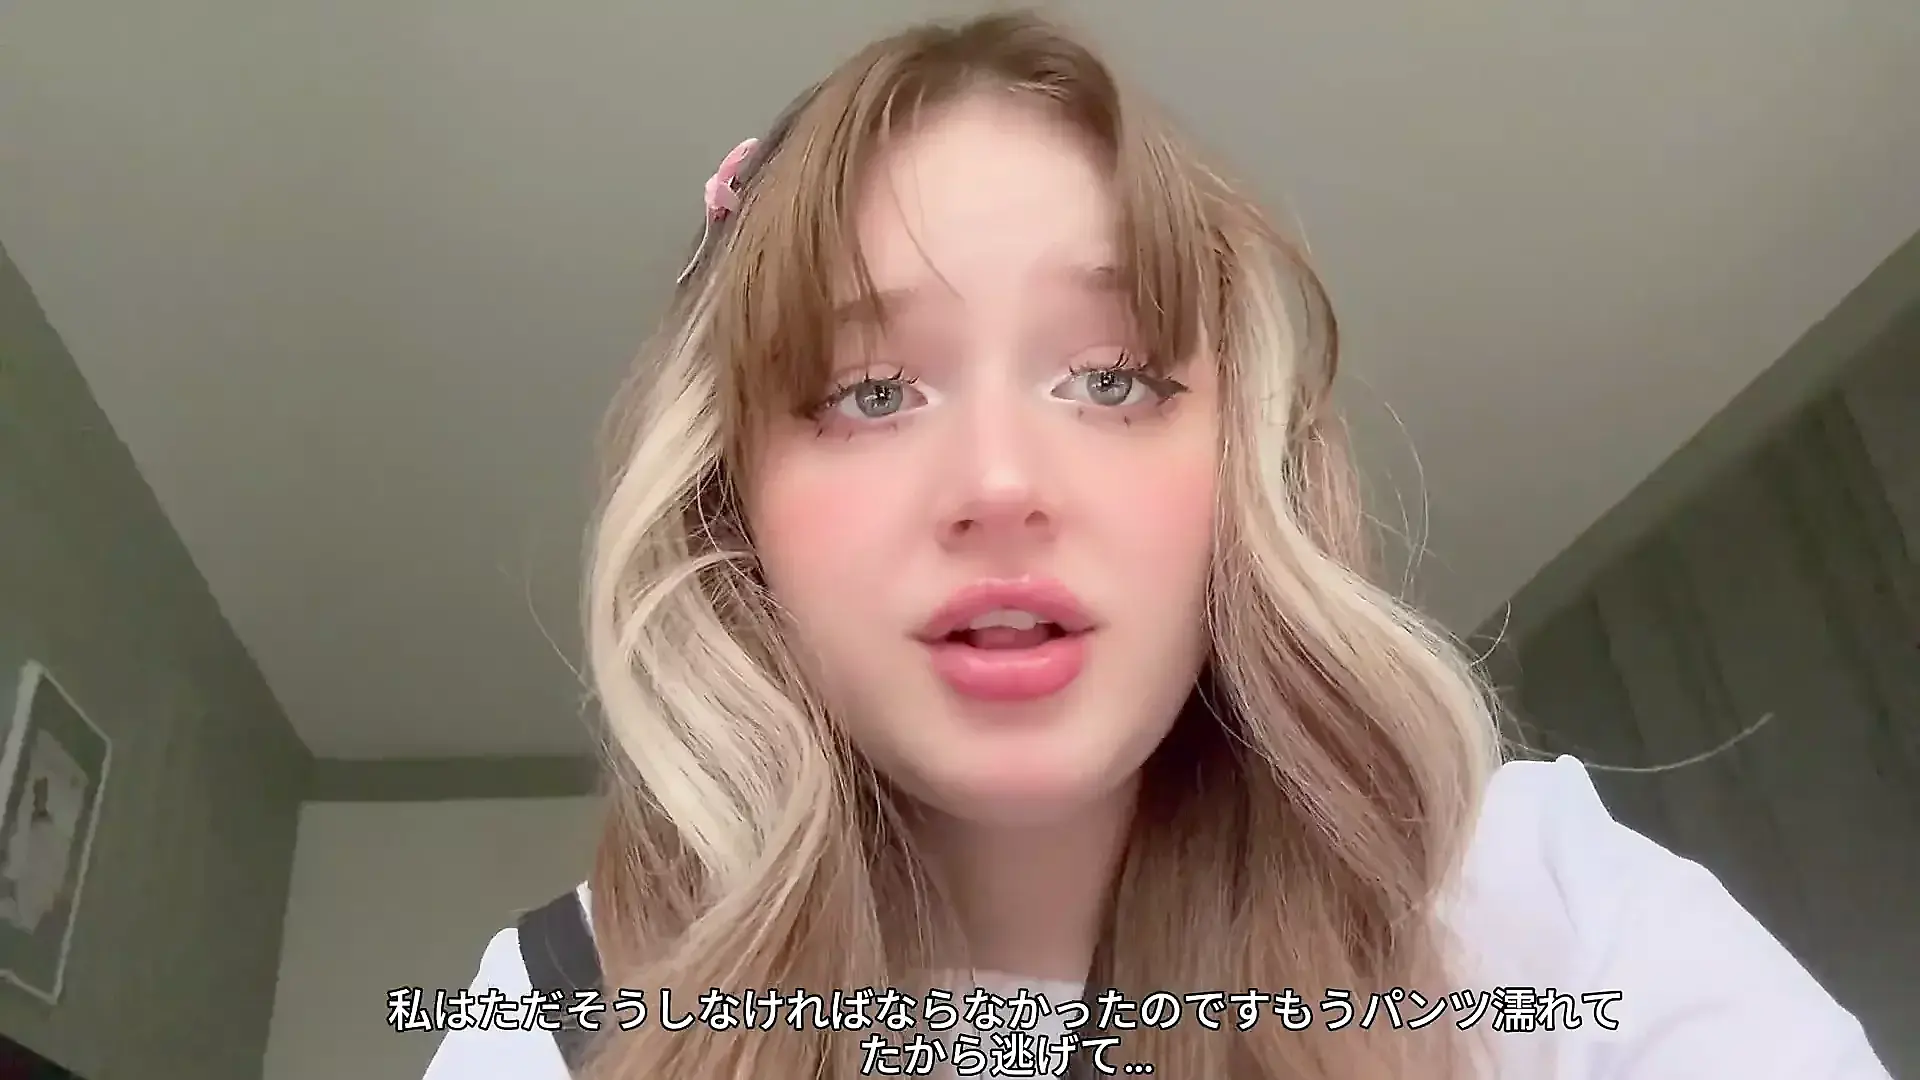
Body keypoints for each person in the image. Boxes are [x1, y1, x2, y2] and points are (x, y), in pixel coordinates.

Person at [421, 12, 1888, 1080]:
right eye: (872, 392)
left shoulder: (1522, 905)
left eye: (1112, 379)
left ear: (1239, 465)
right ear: (729, 505)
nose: (1001, 483)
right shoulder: (565, 1008)